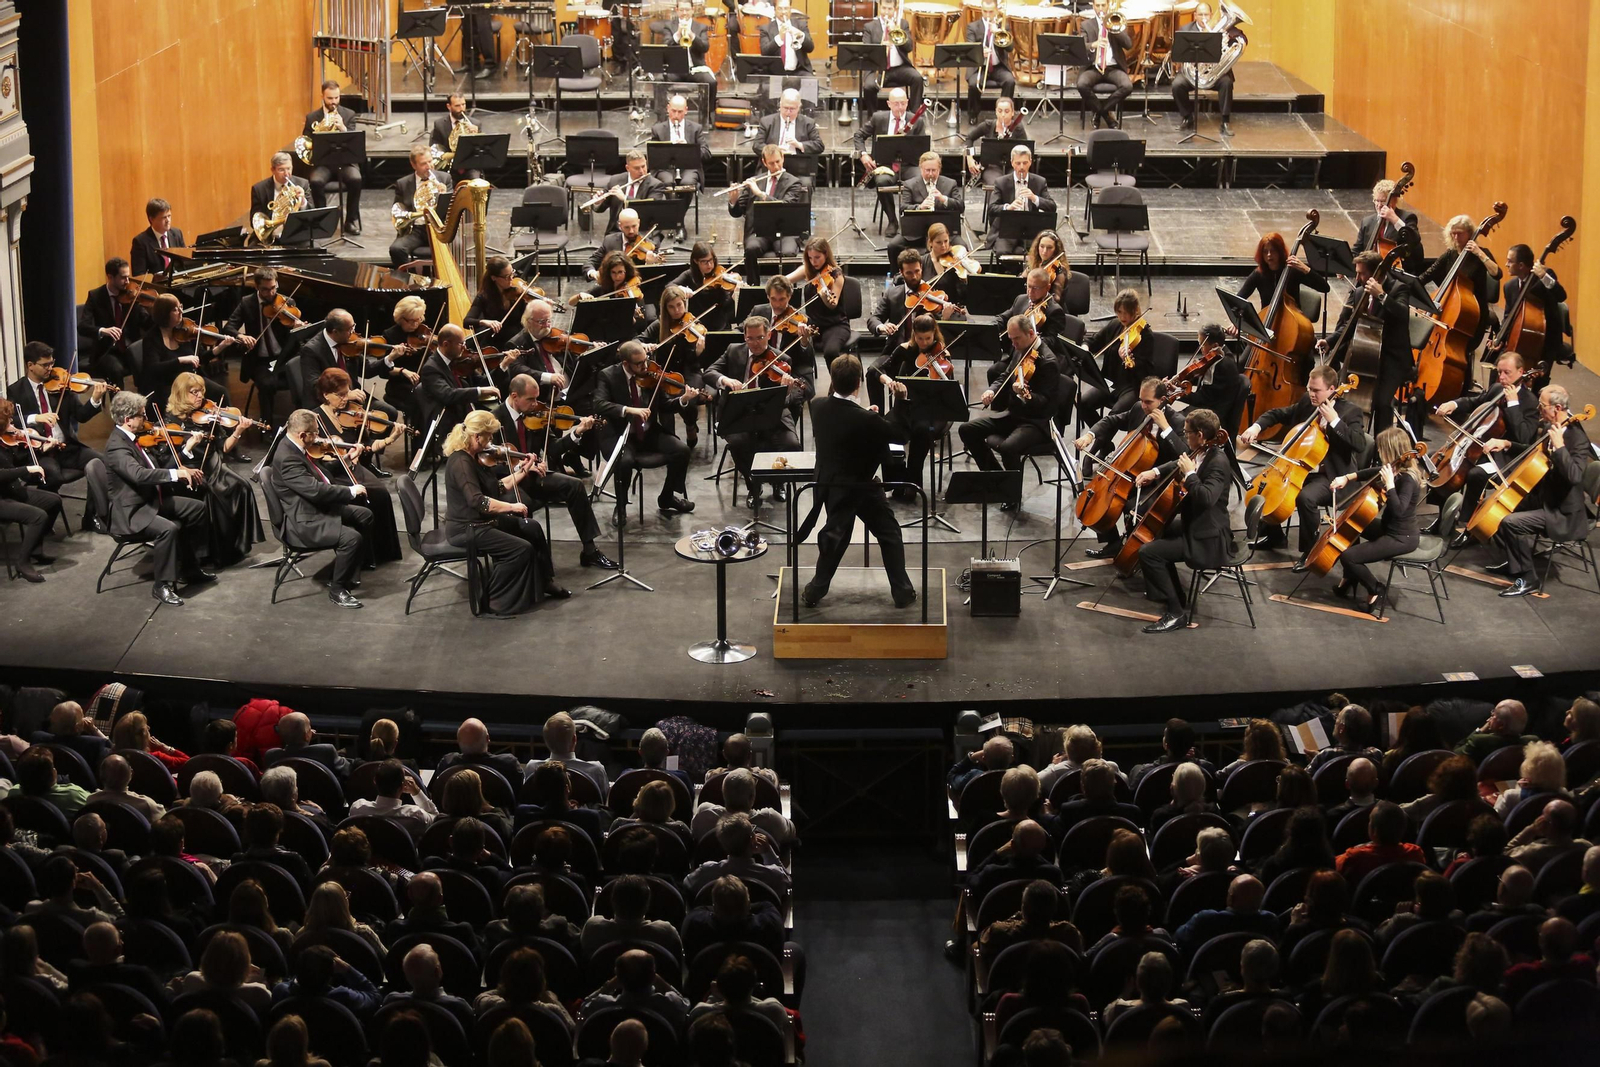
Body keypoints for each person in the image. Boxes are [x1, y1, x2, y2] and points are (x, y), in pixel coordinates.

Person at [800, 354, 916, 609]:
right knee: (889, 533)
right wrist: (902, 401)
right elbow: (899, 434)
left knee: (837, 539)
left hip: (832, 486)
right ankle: (902, 592)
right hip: (860, 486)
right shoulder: (867, 420)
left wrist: (868, 415)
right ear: (859, 383)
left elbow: (845, 425)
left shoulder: (817, 406)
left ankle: (815, 591)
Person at [1238, 364, 1370, 557]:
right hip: (1301, 469)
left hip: (1331, 475)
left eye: (1316, 390)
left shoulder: (1351, 412)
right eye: (1309, 389)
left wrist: (1334, 421)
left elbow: (1359, 444)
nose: (1311, 394)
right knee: (1264, 488)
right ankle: (1275, 537)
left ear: (1332, 390)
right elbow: (1278, 414)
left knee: (1305, 498)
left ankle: (1310, 552)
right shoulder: (1307, 403)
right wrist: (1256, 427)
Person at [441, 409, 564, 616]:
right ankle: (493, 600)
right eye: (489, 436)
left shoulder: (474, 457)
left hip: (483, 522)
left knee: (531, 528)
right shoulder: (461, 463)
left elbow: (496, 487)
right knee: (520, 549)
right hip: (467, 529)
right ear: (476, 436)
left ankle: (545, 581)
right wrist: (512, 507)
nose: (491, 441)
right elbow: (478, 501)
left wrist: (523, 470)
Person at [102, 390, 211, 605]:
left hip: (150, 500)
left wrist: (182, 467)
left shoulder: (134, 439)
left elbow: (156, 468)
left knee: (197, 508)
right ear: (127, 420)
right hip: (133, 510)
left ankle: (188, 567)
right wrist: (175, 474)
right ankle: (162, 585)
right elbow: (139, 475)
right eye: (141, 416)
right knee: (168, 529)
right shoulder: (117, 446)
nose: (146, 420)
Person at [1133, 407, 1236, 633]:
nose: (1184, 435)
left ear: (1200, 434)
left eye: (1187, 432)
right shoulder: (1202, 450)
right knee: (1159, 530)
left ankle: (1176, 613)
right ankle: (1175, 594)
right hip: (1197, 523)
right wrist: (1155, 472)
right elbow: (1180, 462)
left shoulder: (1218, 461)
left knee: (1148, 553)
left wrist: (1190, 475)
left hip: (1209, 537)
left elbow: (1206, 498)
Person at [1489, 383, 1593, 597]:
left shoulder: (1577, 438)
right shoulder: (1549, 428)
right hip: (1546, 498)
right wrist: (1507, 443)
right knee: (1500, 510)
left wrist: (1560, 448)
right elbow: (1533, 453)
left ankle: (1528, 579)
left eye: (1542, 406)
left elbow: (1574, 476)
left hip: (1563, 513)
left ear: (1557, 408)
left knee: (1512, 523)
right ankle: (1515, 564)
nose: (1538, 410)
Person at [1430, 350, 1540, 546]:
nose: (1502, 378)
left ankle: (1465, 527)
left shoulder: (1529, 402)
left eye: (1507, 373)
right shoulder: (1497, 388)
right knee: (1439, 465)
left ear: (1521, 372)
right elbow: (1475, 401)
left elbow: (1525, 438)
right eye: (1500, 372)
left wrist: (1513, 404)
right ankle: (1442, 518)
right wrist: (1454, 403)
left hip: (1505, 457)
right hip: (1478, 447)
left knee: (1475, 474)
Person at [270, 409, 374, 609]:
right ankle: (338, 589)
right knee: (352, 538)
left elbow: (319, 474)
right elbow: (316, 491)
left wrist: (345, 461)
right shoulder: (287, 458)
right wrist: (350, 491)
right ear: (302, 435)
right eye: (315, 433)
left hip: (315, 507)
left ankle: (344, 570)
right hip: (304, 520)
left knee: (365, 516)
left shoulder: (295, 447)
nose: (318, 437)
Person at [1075, 376, 1189, 558]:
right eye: (1141, 400)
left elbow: (1185, 454)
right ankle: (1112, 544)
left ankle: (1136, 554)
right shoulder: (1138, 409)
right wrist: (1090, 436)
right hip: (1132, 473)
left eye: (1149, 402)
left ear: (1162, 400)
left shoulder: (1176, 421)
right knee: (1099, 496)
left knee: (1131, 506)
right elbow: (1112, 420)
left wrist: (1165, 428)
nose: (1143, 406)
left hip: (1159, 480)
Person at [704, 316, 811, 506]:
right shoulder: (733, 351)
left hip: (772, 415)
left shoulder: (781, 359)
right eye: (750, 338)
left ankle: (779, 483)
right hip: (740, 414)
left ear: (769, 335)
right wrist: (725, 381)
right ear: (744, 336)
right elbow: (710, 372)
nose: (755, 343)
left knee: (791, 444)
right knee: (738, 443)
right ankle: (753, 486)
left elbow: (793, 398)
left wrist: (785, 391)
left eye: (760, 338)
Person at [163, 373, 264, 566]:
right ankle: (215, 552)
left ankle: (237, 544)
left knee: (242, 486)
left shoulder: (209, 415)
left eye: (201, 391)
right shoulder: (172, 420)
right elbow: (171, 458)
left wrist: (238, 431)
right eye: (194, 392)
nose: (200, 396)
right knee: (214, 494)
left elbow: (224, 447)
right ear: (182, 394)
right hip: (193, 468)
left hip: (214, 464)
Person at [593, 340, 695, 527]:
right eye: (639, 364)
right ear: (625, 364)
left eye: (646, 360)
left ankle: (667, 497)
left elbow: (664, 405)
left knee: (682, 450)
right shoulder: (607, 376)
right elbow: (599, 403)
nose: (645, 366)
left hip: (648, 432)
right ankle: (621, 505)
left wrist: (683, 399)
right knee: (624, 461)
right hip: (619, 434)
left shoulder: (651, 376)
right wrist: (628, 409)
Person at [1323, 427, 1422, 615]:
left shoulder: (1408, 479)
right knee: (1351, 527)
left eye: (1381, 449)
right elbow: (1375, 471)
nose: (1378, 452)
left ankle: (1375, 589)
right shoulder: (1397, 467)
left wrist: (1390, 486)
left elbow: (1399, 511)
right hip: (1389, 528)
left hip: (1401, 537)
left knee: (1349, 556)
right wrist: (1347, 477)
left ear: (1391, 450)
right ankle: (1350, 578)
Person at [8, 342, 109, 525]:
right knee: (52, 474)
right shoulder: (16, 390)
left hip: (66, 448)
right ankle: (42, 522)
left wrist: (95, 400)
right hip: (38, 452)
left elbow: (82, 416)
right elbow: (10, 421)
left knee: (102, 462)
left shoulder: (62, 387)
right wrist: (35, 418)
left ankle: (92, 517)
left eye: (52, 363)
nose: (51, 369)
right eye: (45, 365)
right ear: (30, 365)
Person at [962, 313, 1062, 490]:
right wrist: (991, 390)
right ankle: (996, 480)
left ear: (1031, 334)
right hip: (1014, 414)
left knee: (1008, 448)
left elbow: (1046, 403)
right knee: (967, 430)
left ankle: (1011, 493)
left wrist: (1025, 395)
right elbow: (1006, 374)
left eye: (1016, 339)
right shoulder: (1020, 349)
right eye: (1011, 339)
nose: (1013, 344)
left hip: (1036, 422)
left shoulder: (1048, 362)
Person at [1322, 249, 1417, 436]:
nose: (1357, 278)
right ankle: (1352, 440)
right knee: (1344, 395)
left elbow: (1402, 315)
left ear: (1376, 274)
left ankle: (1383, 449)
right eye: (1356, 272)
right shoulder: (1359, 293)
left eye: (1362, 273)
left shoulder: (1399, 288)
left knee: (1382, 402)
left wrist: (1382, 296)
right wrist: (1330, 341)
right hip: (1367, 355)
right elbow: (1350, 325)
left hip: (1393, 359)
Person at [872, 314, 958, 499]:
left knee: (920, 430)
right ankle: (896, 481)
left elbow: (949, 391)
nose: (925, 343)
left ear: (934, 334)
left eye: (928, 338)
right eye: (920, 338)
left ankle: (912, 483)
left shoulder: (943, 354)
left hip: (934, 410)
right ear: (914, 335)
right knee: (884, 428)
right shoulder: (905, 350)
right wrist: (888, 380)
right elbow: (876, 369)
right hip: (907, 406)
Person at [639, 284, 715, 446]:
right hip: (665, 372)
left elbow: (701, 360)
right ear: (665, 308)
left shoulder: (693, 323)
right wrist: (644, 346)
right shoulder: (659, 325)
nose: (677, 310)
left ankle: (690, 425)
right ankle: (670, 438)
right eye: (671, 307)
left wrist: (699, 352)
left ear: (684, 303)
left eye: (679, 305)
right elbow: (637, 340)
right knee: (663, 400)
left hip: (689, 370)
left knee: (691, 396)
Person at [1419, 214, 1502, 356]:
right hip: (1451, 308)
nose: (1456, 238)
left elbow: (1497, 274)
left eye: (1459, 234)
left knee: (1459, 348)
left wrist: (1479, 253)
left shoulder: (1480, 254)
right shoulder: (1450, 254)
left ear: (1469, 233)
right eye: (1453, 234)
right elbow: (1427, 275)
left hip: (1473, 312)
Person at [223, 267, 298, 424]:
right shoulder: (247, 303)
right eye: (265, 290)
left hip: (284, 358)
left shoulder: (287, 302)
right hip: (260, 361)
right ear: (256, 286)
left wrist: (297, 328)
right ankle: (267, 425)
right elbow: (229, 327)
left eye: (273, 288)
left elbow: (294, 338)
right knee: (265, 385)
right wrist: (240, 336)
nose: (270, 294)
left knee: (305, 377)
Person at [0, 399, 63, 583]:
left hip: (11, 491)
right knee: (38, 516)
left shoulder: (6, 441)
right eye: (9, 422)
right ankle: (23, 561)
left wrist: (42, 447)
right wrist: (27, 470)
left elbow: (16, 460)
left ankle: (35, 549)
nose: (13, 426)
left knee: (54, 501)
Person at [725, 143, 807, 282]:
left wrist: (760, 194)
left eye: (778, 161)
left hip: (785, 231)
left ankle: (788, 289)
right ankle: (753, 288)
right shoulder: (755, 181)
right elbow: (738, 212)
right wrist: (734, 200)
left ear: (783, 158)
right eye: (771, 163)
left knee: (788, 253)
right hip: (759, 231)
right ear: (764, 162)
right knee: (751, 249)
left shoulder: (794, 183)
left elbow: (786, 206)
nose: (776, 166)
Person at [854, 87, 925, 238]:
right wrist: (864, 155)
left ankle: (913, 221)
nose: (900, 107)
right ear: (889, 104)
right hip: (885, 165)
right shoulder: (878, 118)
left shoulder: (916, 121)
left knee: (920, 180)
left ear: (907, 102)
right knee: (882, 181)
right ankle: (892, 220)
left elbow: (922, 148)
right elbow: (859, 136)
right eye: (896, 104)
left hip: (909, 165)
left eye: (903, 103)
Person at [868, 249, 964, 357]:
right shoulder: (891, 293)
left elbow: (941, 337)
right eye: (909, 273)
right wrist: (881, 327)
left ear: (921, 268)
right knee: (873, 371)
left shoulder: (932, 294)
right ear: (901, 272)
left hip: (927, 353)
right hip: (898, 351)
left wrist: (945, 319)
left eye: (917, 271)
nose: (914, 276)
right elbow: (873, 319)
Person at [1490, 243, 1569, 375]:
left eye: (1510, 261)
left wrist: (1544, 276)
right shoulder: (1510, 287)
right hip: (1520, 337)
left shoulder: (1543, 277)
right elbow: (1509, 316)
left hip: (1544, 340)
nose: (1506, 264)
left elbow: (1561, 296)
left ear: (1521, 265)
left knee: (1536, 379)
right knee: (1497, 370)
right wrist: (1500, 338)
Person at [299, 80, 363, 234]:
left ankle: (350, 221)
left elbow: (353, 141)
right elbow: (305, 142)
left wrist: (343, 128)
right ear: (322, 96)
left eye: (336, 98)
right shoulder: (312, 117)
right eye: (330, 98)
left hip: (346, 162)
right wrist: (318, 134)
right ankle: (323, 220)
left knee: (356, 179)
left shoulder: (349, 114)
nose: (333, 102)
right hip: (323, 163)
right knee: (315, 181)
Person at [1170, 2, 1243, 135]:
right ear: (1195, 16)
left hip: (1214, 73)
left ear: (1211, 15)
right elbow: (1178, 52)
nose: (1204, 18)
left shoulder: (1223, 29)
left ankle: (1225, 121)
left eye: (1206, 14)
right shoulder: (1186, 30)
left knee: (1226, 83)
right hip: (1191, 73)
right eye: (1200, 14)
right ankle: (1187, 117)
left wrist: (1236, 38)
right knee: (1177, 85)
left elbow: (1241, 37)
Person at [141, 292, 231, 400]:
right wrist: (181, 360)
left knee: (221, 393)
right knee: (189, 401)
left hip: (191, 380)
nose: (181, 312)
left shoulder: (185, 331)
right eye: (175, 310)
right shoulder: (151, 338)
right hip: (169, 385)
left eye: (181, 307)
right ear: (164, 314)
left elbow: (200, 358)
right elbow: (153, 369)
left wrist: (220, 347)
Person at [1082, 288, 1156, 418]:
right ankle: (1100, 435)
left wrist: (1130, 361)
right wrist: (1085, 346)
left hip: (1130, 386)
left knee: (1114, 415)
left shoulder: (1145, 334)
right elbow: (1094, 340)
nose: (1122, 317)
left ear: (1136, 310)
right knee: (1083, 403)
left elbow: (1146, 370)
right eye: (1119, 312)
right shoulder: (1115, 325)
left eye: (1127, 313)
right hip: (1110, 382)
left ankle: (1098, 436)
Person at [78, 256, 150, 386]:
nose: (127, 281)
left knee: (153, 362)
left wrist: (155, 310)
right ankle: (119, 405)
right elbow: (83, 326)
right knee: (115, 370)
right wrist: (103, 330)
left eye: (128, 277)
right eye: (123, 278)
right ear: (110, 277)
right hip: (107, 351)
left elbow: (146, 323)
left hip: (131, 348)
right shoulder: (96, 296)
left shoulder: (132, 295)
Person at [886, 151, 964, 267]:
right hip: (916, 232)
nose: (931, 174)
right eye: (927, 170)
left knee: (963, 247)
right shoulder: (909, 184)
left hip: (943, 233)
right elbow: (903, 208)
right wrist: (919, 207)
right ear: (921, 169)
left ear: (939, 169)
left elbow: (960, 206)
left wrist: (944, 199)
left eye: (934, 170)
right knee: (893, 246)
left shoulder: (950, 183)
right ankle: (896, 277)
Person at [786, 237, 852, 364]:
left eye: (817, 257)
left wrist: (823, 295)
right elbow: (785, 280)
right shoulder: (807, 270)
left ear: (826, 254)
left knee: (831, 352)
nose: (813, 262)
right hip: (813, 324)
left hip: (835, 325)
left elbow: (833, 304)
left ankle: (837, 382)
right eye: (810, 258)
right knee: (790, 344)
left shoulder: (836, 274)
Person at [388, 144, 450, 269]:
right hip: (416, 229)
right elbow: (399, 209)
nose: (429, 167)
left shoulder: (444, 178)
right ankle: (409, 282)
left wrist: (443, 196)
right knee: (396, 249)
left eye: (430, 161)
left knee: (458, 245)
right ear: (413, 165)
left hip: (438, 228)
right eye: (423, 164)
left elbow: (450, 209)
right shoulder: (403, 183)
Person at [987, 144, 1056, 257]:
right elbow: (991, 208)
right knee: (1002, 253)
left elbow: (1052, 206)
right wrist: (1009, 207)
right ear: (1012, 162)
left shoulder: (1039, 181)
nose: (1022, 167)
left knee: (1041, 253)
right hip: (1008, 229)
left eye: (1025, 163)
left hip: (1031, 228)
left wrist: (1034, 198)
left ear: (1030, 161)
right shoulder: (1001, 182)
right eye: (1018, 163)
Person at [526, 711, 610, 801]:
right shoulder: (595, 770)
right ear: (574, 739)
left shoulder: (533, 768)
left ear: (545, 741)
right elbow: (603, 801)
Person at [1334, 801, 1425, 884]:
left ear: (1374, 831)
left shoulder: (1355, 857)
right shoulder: (1415, 853)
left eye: (1370, 820)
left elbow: (1333, 866)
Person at [860, 0, 924, 117]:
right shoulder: (870, 27)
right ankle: (873, 117)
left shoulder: (902, 24)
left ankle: (914, 116)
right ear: (880, 7)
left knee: (917, 79)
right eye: (884, 8)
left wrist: (896, 32)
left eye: (889, 9)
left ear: (894, 9)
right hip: (878, 69)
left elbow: (909, 47)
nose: (886, 12)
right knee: (868, 86)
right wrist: (881, 46)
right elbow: (866, 51)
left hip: (900, 68)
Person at [1078, 0, 1135, 128]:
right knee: (1082, 84)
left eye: (1103, 5)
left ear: (1108, 6)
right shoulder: (1086, 25)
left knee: (1127, 86)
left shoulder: (1117, 21)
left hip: (1113, 67)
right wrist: (1094, 44)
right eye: (1097, 6)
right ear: (1093, 7)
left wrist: (1114, 28)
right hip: (1094, 68)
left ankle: (1100, 112)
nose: (1100, 8)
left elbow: (1128, 45)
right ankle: (1107, 115)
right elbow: (1081, 45)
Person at [348, 760, 438, 839]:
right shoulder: (416, 816)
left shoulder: (357, 809)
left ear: (375, 781)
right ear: (402, 786)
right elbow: (435, 819)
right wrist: (417, 792)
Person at [651, 95, 711, 205]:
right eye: (673, 111)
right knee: (668, 182)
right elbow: (653, 156)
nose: (676, 116)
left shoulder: (695, 128)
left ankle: (677, 216)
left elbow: (706, 153)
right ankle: (676, 216)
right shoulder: (657, 129)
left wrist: (689, 148)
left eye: (680, 112)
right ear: (668, 108)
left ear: (686, 110)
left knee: (687, 183)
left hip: (689, 168)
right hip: (666, 169)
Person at [1355, 176, 1423, 274]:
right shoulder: (1367, 222)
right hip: (1371, 272)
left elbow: (1414, 240)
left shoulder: (1407, 217)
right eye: (1376, 200)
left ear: (1394, 200)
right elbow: (1358, 249)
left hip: (1395, 274)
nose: (1378, 205)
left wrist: (1394, 219)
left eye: (1383, 201)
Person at [1505, 798, 1590, 873]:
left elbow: (1506, 855)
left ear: (1549, 825)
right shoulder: (1585, 847)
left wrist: (1531, 830)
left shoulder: (1531, 853)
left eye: (1543, 817)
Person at [592, 150, 666, 236]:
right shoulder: (615, 180)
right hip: (616, 232)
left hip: (642, 232)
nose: (642, 171)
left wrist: (625, 199)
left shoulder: (655, 185)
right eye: (637, 168)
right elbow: (600, 208)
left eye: (643, 166)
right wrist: (598, 202)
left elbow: (648, 211)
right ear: (627, 168)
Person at [964, 0, 1015, 121]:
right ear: (981, 10)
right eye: (984, 11)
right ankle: (973, 114)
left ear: (996, 10)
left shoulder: (1003, 26)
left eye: (991, 12)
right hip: (979, 67)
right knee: (973, 84)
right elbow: (969, 49)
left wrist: (998, 32)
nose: (987, 15)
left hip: (998, 67)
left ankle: (1004, 114)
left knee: (1010, 81)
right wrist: (979, 52)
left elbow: (1010, 48)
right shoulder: (973, 27)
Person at [670, 244, 740, 332]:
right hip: (697, 326)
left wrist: (734, 296)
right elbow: (669, 287)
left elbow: (726, 308)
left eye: (711, 260)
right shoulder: (689, 275)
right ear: (696, 261)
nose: (710, 265)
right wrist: (680, 289)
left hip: (720, 326)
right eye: (704, 262)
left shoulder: (720, 276)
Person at [584, 211, 666, 284]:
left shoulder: (650, 245)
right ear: (620, 225)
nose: (631, 231)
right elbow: (590, 262)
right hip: (611, 287)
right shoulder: (609, 241)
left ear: (639, 222)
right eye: (627, 227)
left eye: (634, 226)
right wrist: (593, 273)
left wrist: (649, 265)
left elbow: (654, 279)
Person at [754, 88, 823, 174]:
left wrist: (799, 145)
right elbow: (757, 145)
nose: (788, 112)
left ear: (799, 107)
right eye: (785, 108)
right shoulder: (767, 122)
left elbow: (819, 145)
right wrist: (775, 150)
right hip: (772, 165)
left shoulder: (808, 123)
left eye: (792, 109)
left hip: (798, 166)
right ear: (780, 105)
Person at [965, 97, 1030, 189]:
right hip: (992, 167)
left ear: (1012, 113)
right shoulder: (988, 125)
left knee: (1013, 183)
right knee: (996, 184)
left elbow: (1026, 150)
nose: (1003, 115)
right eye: (1000, 111)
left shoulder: (1018, 128)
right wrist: (970, 158)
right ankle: (995, 203)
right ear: (996, 112)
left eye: (1007, 111)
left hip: (1013, 166)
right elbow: (969, 138)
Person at [650, 0, 718, 87]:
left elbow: (705, 48)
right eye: (681, 10)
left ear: (692, 10)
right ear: (677, 10)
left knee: (711, 82)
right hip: (675, 70)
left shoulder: (701, 27)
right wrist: (677, 35)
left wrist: (692, 35)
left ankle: (710, 101)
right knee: (659, 81)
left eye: (687, 10)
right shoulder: (669, 26)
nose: (684, 13)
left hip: (695, 69)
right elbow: (666, 47)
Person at [248, 151, 312, 242]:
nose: (286, 173)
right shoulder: (259, 189)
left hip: (295, 235)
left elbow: (311, 215)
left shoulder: (302, 184)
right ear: (273, 170)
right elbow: (254, 220)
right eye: (281, 170)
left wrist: (302, 201)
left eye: (289, 168)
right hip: (269, 236)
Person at [1454, 699, 1539, 762]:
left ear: (1501, 725)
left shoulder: (1478, 741)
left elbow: (1454, 755)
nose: (1489, 718)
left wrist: (1481, 730)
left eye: (1493, 714)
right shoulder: (1532, 742)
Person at [130, 197, 185, 277]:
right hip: (156, 287)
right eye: (164, 217)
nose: (168, 220)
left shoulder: (177, 234)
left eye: (169, 216)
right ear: (151, 219)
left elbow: (185, 262)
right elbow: (139, 275)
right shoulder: (140, 242)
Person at [430, 92, 480, 179]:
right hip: (447, 165)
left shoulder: (475, 123)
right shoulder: (439, 124)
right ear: (449, 106)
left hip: (469, 166)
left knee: (476, 181)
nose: (462, 109)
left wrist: (476, 136)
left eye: (463, 104)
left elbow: (479, 151)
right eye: (457, 106)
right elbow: (434, 148)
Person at [760, 0, 814, 72]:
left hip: (799, 70)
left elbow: (810, 48)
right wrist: (779, 37)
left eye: (786, 8)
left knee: (812, 83)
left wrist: (800, 35)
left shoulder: (801, 25)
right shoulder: (766, 29)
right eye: (780, 8)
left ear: (790, 9)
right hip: (775, 72)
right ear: (774, 10)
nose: (783, 12)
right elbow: (765, 52)